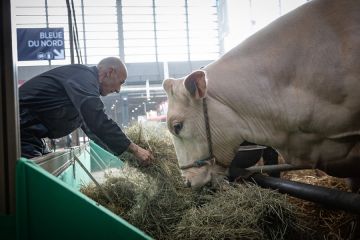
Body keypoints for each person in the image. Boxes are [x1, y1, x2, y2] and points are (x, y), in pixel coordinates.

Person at [19, 57, 153, 166]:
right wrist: (135, 150)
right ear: (109, 72)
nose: (118, 90)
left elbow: (95, 132)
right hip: (19, 128)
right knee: (36, 177)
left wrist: (125, 158)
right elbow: (98, 121)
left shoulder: (84, 88)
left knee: (48, 169)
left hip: (32, 134)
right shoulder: (83, 77)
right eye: (121, 82)